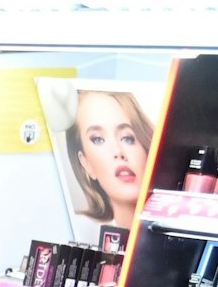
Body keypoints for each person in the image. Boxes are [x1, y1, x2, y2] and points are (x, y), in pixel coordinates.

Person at [66, 89, 154, 231]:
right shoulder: (79, 232)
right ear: (85, 164)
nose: (118, 152)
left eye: (127, 138)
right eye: (98, 139)